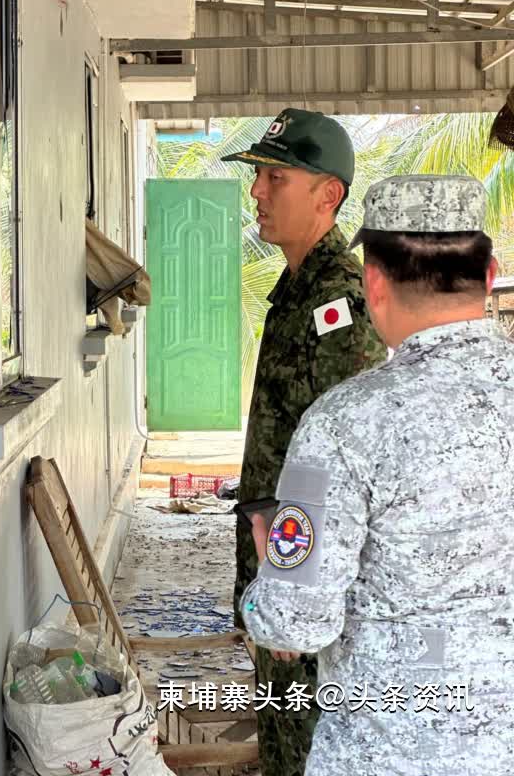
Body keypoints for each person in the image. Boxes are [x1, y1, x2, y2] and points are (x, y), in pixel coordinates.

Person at [241, 174, 514, 775]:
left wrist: (270, 585)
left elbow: (294, 621)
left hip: (386, 752)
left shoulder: (342, 425)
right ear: (490, 274)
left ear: (374, 283)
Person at [222, 109, 387, 775]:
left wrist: (295, 591)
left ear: (328, 194)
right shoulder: (296, 288)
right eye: (259, 175)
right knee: (283, 735)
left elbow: (339, 473)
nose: (257, 191)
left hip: (304, 582)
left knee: (308, 746)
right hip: (280, 565)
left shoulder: (337, 305)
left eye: (276, 177)